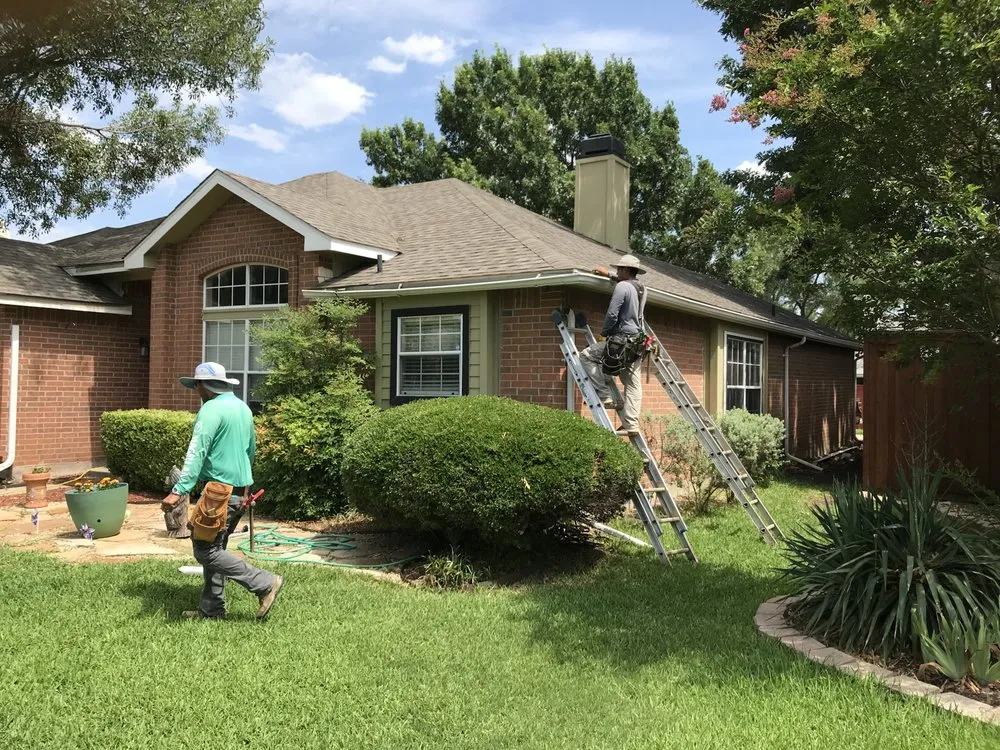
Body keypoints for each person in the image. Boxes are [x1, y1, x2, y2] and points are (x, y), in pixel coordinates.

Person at [160, 362, 284, 620]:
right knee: (217, 547)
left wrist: (179, 490)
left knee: (205, 551)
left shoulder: (210, 410)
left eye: (195, 384)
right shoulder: (242, 408)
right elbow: (250, 450)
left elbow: (197, 451)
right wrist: (245, 486)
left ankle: (264, 582)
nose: (195, 389)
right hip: (240, 489)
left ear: (203, 385)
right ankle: (212, 610)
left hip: (219, 492)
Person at [580, 254, 649, 434]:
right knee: (633, 383)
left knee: (587, 356)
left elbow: (612, 314)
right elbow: (625, 283)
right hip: (637, 342)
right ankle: (631, 423)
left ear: (626, 270)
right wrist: (609, 274)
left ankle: (605, 395)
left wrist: (604, 333)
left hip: (621, 340)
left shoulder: (622, 286)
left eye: (619, 269)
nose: (617, 271)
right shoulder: (642, 288)